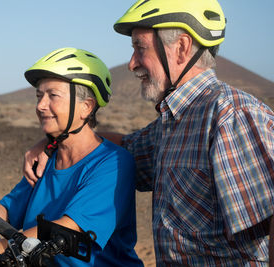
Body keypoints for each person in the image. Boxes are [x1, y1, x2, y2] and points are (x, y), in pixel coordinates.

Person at [23, 0, 274, 266]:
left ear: (181, 48)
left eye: (139, 48)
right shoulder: (171, 124)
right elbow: (117, 148)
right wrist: (56, 140)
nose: (131, 64)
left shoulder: (230, 116)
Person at [0, 47, 143, 267]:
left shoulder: (113, 163)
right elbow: (9, 206)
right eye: (39, 96)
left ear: (86, 107)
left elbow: (65, 230)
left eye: (52, 95)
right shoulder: (46, 161)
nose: (40, 105)